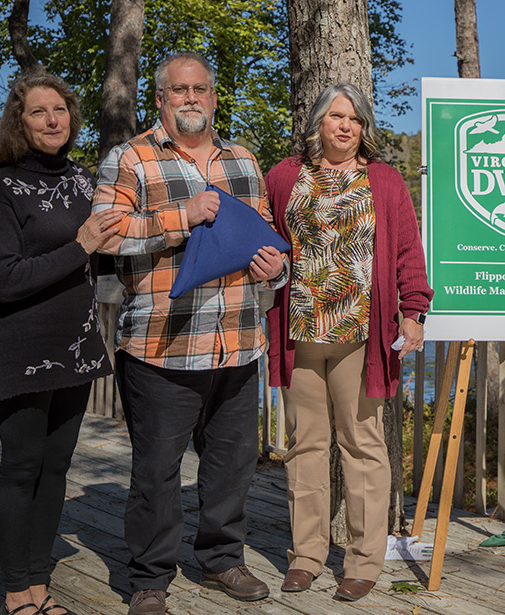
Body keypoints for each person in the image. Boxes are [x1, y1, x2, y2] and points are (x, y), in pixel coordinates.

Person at [91, 53, 287, 615]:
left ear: (215, 98)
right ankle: (151, 577)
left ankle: (223, 558)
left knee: (233, 463)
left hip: (238, 341)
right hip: (161, 345)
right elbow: (104, 235)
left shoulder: (244, 161)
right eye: (179, 91)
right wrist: (184, 215)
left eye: (201, 89)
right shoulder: (130, 158)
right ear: (160, 99)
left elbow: (264, 238)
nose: (191, 98)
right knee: (156, 470)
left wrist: (277, 269)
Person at [264, 83, 433, 602]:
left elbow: (406, 247)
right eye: (336, 116)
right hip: (298, 329)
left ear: (364, 128)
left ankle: (363, 560)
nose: (345, 126)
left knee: (362, 444)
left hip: (362, 331)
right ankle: (308, 555)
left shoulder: (382, 180)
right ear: (318, 122)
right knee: (305, 444)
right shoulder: (283, 176)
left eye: (354, 119)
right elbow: (266, 238)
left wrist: (413, 311)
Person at [0, 70, 121, 615]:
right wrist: (81, 245)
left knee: (57, 468)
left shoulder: (81, 181)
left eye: (60, 110)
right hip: (22, 344)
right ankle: (14, 592)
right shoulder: (1, 189)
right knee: (22, 465)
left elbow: (100, 254)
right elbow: (5, 278)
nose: (54, 120)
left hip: (75, 342)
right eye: (39, 112)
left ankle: (38, 584)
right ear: (19, 123)